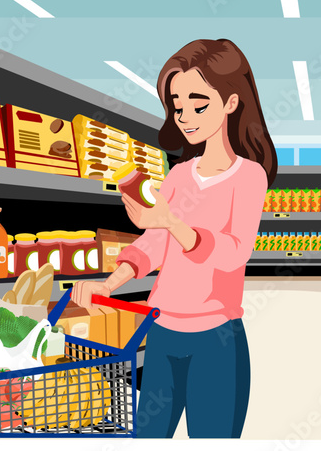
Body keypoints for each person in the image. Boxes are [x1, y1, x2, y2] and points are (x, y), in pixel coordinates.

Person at [72, 39, 277, 438]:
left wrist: (174, 223)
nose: (185, 116)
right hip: (161, 331)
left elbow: (235, 253)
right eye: (177, 106)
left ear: (231, 103)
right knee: (148, 438)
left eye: (198, 105)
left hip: (216, 339)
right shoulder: (180, 174)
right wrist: (109, 284)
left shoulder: (249, 176)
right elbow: (154, 241)